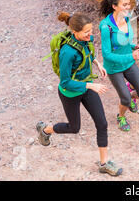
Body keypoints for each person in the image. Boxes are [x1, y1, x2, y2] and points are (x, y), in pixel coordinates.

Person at [36, 11, 122, 176]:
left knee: (102, 123)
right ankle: (45, 130)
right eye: (86, 32)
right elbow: (65, 81)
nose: (90, 34)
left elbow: (89, 52)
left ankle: (104, 163)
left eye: (91, 30)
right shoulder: (67, 52)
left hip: (87, 88)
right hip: (70, 93)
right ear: (75, 32)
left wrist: (98, 64)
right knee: (74, 128)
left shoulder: (86, 40)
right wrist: (90, 85)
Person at [99, 0, 139, 132]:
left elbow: (123, 42)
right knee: (125, 99)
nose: (128, 7)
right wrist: (132, 56)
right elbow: (107, 54)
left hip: (128, 64)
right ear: (115, 6)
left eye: (129, 4)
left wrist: (133, 46)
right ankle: (121, 116)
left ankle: (129, 98)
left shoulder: (127, 19)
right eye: (124, 4)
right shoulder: (106, 26)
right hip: (114, 68)